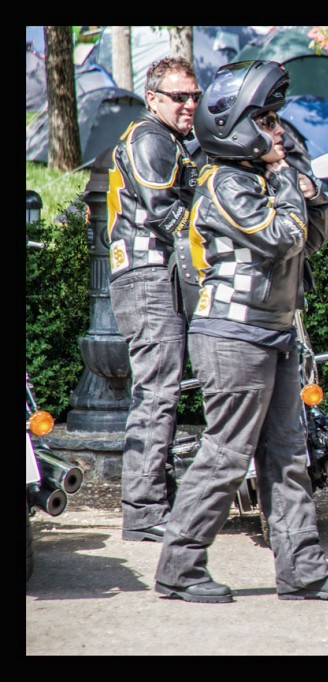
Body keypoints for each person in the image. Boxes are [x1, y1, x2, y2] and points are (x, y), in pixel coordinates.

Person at [153, 60, 328, 603]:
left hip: (275, 331)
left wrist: (312, 194)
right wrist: (290, 179)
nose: (278, 131)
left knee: (288, 456)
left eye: (275, 120)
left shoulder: (259, 179)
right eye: (266, 121)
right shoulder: (225, 183)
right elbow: (283, 238)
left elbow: (310, 239)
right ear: (235, 126)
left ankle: (302, 570)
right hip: (234, 334)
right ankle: (179, 568)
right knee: (226, 454)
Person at [107, 56, 203, 543]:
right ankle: (144, 511)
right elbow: (166, 212)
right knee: (157, 393)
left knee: (161, 391)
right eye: (179, 96)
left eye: (194, 96)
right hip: (146, 275)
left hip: (152, 275)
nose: (190, 105)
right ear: (153, 98)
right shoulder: (149, 137)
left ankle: (155, 498)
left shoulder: (168, 138)